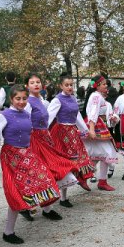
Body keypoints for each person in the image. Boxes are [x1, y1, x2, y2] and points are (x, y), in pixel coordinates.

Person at [0, 85, 61, 244]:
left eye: (24, 98)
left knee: (44, 179)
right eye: (18, 98)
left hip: (27, 153)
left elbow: (29, 133)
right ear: (11, 99)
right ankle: (8, 232)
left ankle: (44, 208)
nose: (22, 102)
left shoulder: (26, 114)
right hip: (12, 156)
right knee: (16, 191)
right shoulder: (4, 115)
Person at [24, 73, 79, 220]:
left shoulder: (42, 101)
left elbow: (47, 121)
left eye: (38, 82)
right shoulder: (28, 102)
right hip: (33, 140)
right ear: (27, 86)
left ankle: (47, 207)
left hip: (44, 139)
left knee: (51, 170)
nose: (36, 84)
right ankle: (29, 206)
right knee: (38, 173)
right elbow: (25, 122)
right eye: (32, 82)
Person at [47, 74, 96, 205]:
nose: (69, 87)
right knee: (65, 164)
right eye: (67, 85)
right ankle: (62, 197)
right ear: (61, 86)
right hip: (61, 134)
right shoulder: (57, 100)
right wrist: (43, 132)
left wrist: (86, 130)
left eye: (71, 85)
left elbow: (77, 116)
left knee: (78, 159)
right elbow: (49, 117)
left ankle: (77, 182)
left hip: (73, 133)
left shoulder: (73, 98)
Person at [82, 75, 120, 191]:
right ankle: (86, 178)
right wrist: (92, 129)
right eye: (103, 84)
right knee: (107, 153)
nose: (106, 86)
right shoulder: (96, 97)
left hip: (100, 125)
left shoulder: (99, 97)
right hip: (96, 126)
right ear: (97, 86)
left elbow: (105, 113)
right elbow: (93, 113)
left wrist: (113, 118)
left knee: (97, 155)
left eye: (106, 84)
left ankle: (97, 180)